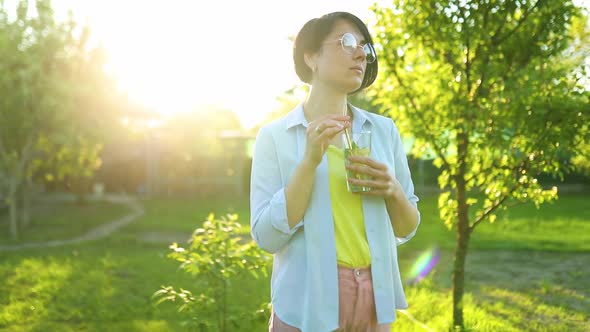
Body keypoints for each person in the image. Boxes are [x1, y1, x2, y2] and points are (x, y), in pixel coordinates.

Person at [250, 11, 420, 332]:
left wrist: (392, 189)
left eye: (365, 48)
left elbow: (408, 226)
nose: (361, 53)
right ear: (311, 56)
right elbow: (267, 237)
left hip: (373, 300)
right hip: (306, 301)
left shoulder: (383, 131)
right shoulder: (274, 137)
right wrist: (309, 162)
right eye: (347, 42)